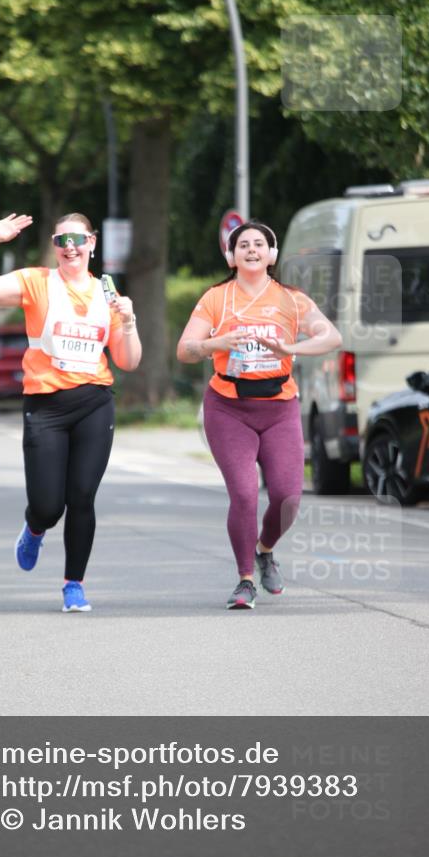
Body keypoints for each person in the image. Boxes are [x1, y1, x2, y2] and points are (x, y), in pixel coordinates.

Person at [0, 212, 142, 612]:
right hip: (45, 405)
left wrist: (128, 323)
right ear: (55, 248)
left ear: (92, 243)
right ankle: (34, 528)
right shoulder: (36, 282)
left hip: (94, 401)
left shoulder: (108, 294)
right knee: (48, 506)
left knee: (82, 497)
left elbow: (128, 361)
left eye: (77, 239)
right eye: (62, 241)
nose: (70, 247)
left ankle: (73, 584)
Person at [177, 222, 342, 610]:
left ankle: (265, 549)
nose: (251, 250)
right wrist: (213, 343)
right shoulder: (216, 298)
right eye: (243, 245)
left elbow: (332, 337)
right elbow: (185, 349)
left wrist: (288, 346)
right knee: (245, 494)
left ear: (272, 254)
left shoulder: (292, 299)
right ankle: (245, 580)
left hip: (280, 407)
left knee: (287, 497)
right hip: (228, 408)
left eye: (259, 244)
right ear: (231, 257)